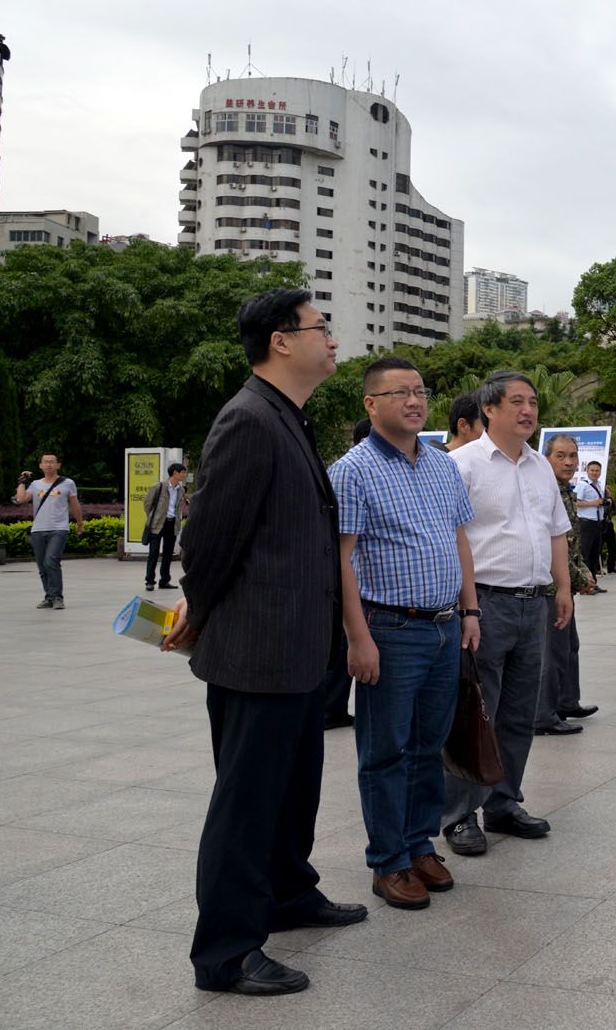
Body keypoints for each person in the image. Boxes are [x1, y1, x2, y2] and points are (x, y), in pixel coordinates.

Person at [162, 289, 365, 997]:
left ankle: (287, 892)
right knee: (247, 803)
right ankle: (224, 952)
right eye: (321, 328)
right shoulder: (249, 419)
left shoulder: (288, 416)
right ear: (281, 340)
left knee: (291, 789)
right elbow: (211, 538)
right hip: (257, 651)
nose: (333, 341)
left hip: (298, 651)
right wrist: (201, 612)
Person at [331, 358, 480, 910]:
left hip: (445, 626)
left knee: (427, 747)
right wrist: (357, 638)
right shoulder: (353, 470)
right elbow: (339, 560)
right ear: (371, 404)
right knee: (385, 751)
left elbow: (459, 541)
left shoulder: (443, 465)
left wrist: (471, 612)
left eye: (420, 391)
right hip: (389, 629)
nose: (415, 401)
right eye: (401, 393)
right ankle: (388, 861)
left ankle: (419, 845)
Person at [443, 370, 574, 857]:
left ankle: (503, 802)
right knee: (476, 713)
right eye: (516, 401)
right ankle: (459, 816)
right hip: (485, 604)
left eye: (533, 402)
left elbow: (556, 530)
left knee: (519, 714)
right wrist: (467, 607)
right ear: (489, 410)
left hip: (533, 603)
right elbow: (451, 538)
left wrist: (562, 588)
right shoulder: (462, 465)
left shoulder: (540, 465)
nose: (528, 410)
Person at [537, 434, 599, 736]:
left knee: (570, 646)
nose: (569, 462)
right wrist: (576, 577)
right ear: (546, 457)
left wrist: (583, 572)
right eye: (560, 456)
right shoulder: (544, 491)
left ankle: (566, 701)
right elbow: (551, 544)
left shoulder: (565, 490)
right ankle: (544, 715)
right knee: (554, 652)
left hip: (565, 583)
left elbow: (571, 545)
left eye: (573, 456)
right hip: (550, 587)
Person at [324, 422, 373, 730]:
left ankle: (335, 708)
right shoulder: (348, 471)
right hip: (347, 580)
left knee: (343, 653)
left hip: (353, 580)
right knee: (342, 648)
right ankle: (330, 708)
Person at [13, 453, 85, 610]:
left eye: (52, 462)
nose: (49, 464)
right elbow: (20, 499)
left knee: (51, 561)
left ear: (58, 465)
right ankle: (49, 597)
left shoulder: (67, 483)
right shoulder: (36, 484)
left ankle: (58, 597)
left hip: (59, 529)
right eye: (45, 462)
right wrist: (22, 481)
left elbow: (74, 504)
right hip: (38, 529)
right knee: (42, 565)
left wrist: (79, 523)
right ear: (40, 465)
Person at [142, 462, 188, 592]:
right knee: (154, 553)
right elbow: (147, 504)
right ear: (175, 473)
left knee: (168, 553)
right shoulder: (159, 487)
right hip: (158, 524)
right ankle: (150, 581)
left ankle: (164, 580)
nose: (184, 475)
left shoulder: (181, 489)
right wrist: (153, 517)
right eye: (182, 472)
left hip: (172, 524)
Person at [573, 459, 607, 589]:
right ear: (587, 471)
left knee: (594, 555)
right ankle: (585, 584)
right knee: (585, 555)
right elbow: (576, 503)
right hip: (586, 523)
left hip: (597, 523)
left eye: (597, 470)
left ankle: (593, 584)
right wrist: (593, 503)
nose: (594, 472)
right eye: (592, 470)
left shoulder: (599, 485)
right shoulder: (582, 485)